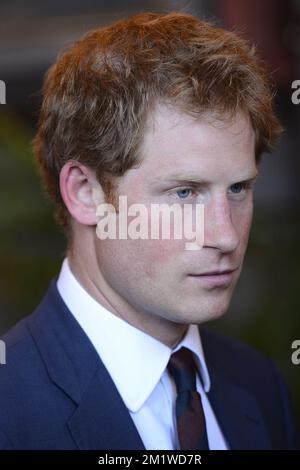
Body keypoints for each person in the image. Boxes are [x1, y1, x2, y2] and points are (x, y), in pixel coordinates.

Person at [0, 11, 298, 450]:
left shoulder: (258, 384)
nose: (227, 236)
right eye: (184, 193)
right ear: (85, 193)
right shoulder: (10, 409)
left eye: (238, 188)